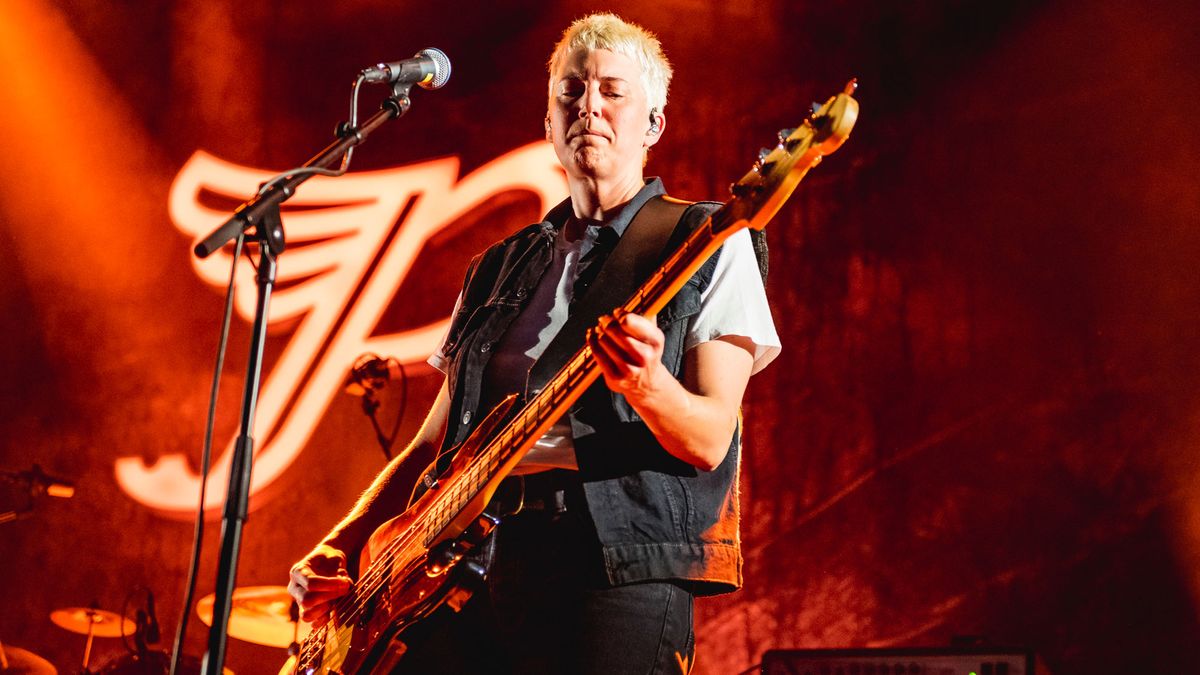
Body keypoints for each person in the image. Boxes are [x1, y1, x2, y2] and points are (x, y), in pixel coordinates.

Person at [288, 13, 780, 674]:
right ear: (548, 124)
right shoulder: (496, 266)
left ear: (655, 124)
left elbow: (711, 434)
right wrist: (342, 545)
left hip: (613, 567)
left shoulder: (708, 243)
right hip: (469, 569)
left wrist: (648, 385)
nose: (589, 107)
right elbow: (435, 444)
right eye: (571, 93)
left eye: (612, 91)